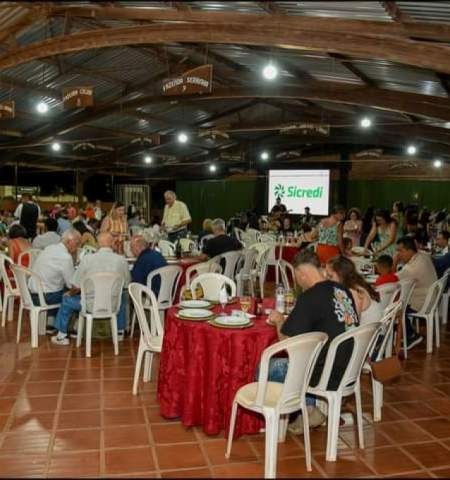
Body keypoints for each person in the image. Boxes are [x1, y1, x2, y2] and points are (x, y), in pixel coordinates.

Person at [267, 250, 359, 432]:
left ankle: (288, 415)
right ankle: (308, 408)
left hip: (326, 374)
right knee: (309, 355)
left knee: (266, 367)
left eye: (296, 277)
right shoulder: (342, 290)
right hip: (350, 367)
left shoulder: (309, 298)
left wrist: (279, 321)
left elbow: (288, 344)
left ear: (301, 274)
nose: (298, 282)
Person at [51, 232, 130, 346]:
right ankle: (119, 331)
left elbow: (76, 286)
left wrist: (70, 293)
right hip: (112, 305)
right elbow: (126, 284)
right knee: (121, 294)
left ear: (97, 245)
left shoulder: (87, 259)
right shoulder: (121, 260)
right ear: (112, 244)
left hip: (89, 304)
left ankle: (61, 335)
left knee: (67, 300)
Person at [30, 229, 81, 333]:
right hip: (46, 297)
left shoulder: (49, 248)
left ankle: (51, 321)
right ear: (69, 242)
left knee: (59, 285)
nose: (78, 247)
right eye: (77, 243)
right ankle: (74, 328)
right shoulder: (65, 257)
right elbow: (73, 285)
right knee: (78, 294)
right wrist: (72, 291)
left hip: (32, 294)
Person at [395, 236, 438, 349]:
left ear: (409, 250)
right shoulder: (423, 255)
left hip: (422, 302)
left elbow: (392, 281)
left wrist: (394, 263)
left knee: (393, 309)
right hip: (430, 297)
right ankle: (405, 333)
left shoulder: (411, 269)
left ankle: (411, 336)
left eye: (400, 251)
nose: (398, 254)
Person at [326, 255, 382, 325]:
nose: (327, 279)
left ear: (341, 275)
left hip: (368, 333)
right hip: (372, 330)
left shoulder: (353, 291)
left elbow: (353, 322)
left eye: (330, 276)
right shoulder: (356, 284)